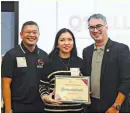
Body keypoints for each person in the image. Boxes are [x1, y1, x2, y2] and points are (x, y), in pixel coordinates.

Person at [82, 13, 130, 113]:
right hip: (92, 106)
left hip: (114, 107)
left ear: (106, 27)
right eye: (91, 27)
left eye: (99, 26)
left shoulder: (121, 49)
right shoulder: (86, 51)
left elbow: (127, 80)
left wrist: (116, 106)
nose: (95, 30)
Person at [1, 21, 49, 113]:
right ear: (21, 35)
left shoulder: (44, 56)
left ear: (38, 35)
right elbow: (5, 84)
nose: (31, 35)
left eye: (34, 32)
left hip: (39, 107)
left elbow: (46, 83)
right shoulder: (11, 55)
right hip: (17, 106)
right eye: (28, 32)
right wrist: (8, 109)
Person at [39, 28, 84, 113]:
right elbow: (42, 85)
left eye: (70, 40)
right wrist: (45, 97)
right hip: (53, 109)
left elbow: (85, 85)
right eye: (62, 40)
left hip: (76, 110)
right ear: (57, 44)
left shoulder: (80, 62)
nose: (66, 43)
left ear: (73, 43)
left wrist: (86, 93)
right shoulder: (49, 62)